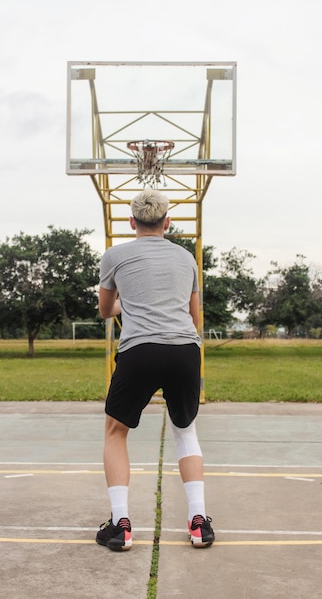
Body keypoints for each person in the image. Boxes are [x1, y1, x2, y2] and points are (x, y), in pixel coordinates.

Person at [96, 188, 214, 551]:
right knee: (185, 431)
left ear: (132, 222)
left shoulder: (114, 256)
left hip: (140, 350)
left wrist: (128, 306)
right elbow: (194, 319)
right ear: (167, 222)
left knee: (116, 432)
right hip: (183, 349)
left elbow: (105, 310)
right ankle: (199, 523)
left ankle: (120, 527)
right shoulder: (186, 259)